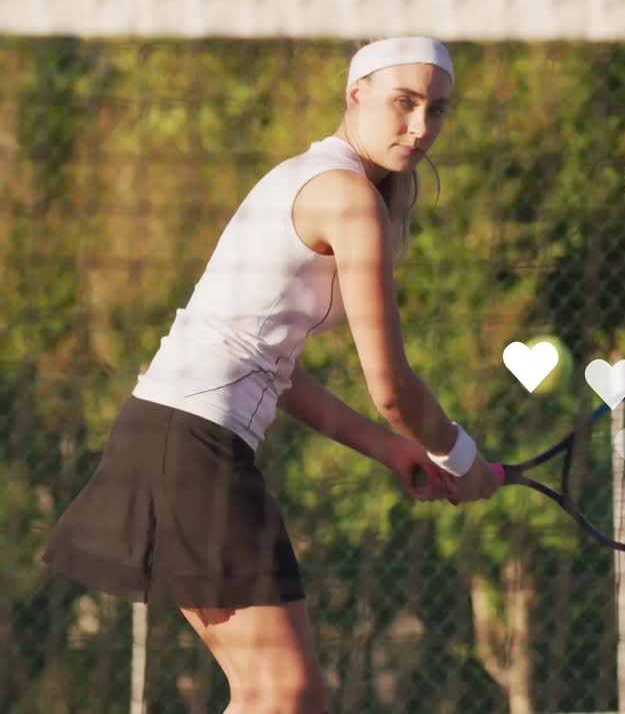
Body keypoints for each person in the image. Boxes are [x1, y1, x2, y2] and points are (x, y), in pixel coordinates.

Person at [42, 36, 498, 714]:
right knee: (284, 693)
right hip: (191, 444)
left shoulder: (310, 177)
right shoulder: (346, 197)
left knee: (272, 693)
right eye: (404, 102)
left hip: (167, 435)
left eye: (436, 109)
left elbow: (279, 374)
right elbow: (392, 388)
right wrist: (461, 458)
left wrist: (388, 449)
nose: (421, 126)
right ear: (356, 94)